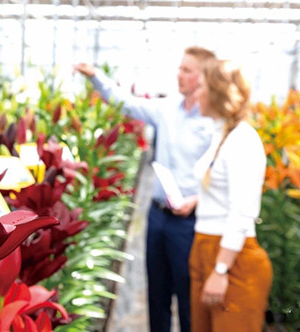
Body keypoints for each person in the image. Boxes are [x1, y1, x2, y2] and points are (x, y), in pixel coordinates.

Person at [74, 46, 216, 332]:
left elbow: (223, 174)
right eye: (180, 68)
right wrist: (95, 77)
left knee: (190, 300)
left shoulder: (214, 121)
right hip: (158, 216)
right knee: (157, 294)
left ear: (204, 77)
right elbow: (125, 103)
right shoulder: (167, 109)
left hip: (191, 222)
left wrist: (198, 200)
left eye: (187, 70)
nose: (179, 74)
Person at [190, 58, 273, 331]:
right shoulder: (223, 134)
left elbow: (242, 210)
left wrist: (221, 270)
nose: (195, 93)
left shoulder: (242, 140)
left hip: (231, 260)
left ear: (216, 92)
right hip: (207, 248)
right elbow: (222, 194)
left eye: (200, 86)